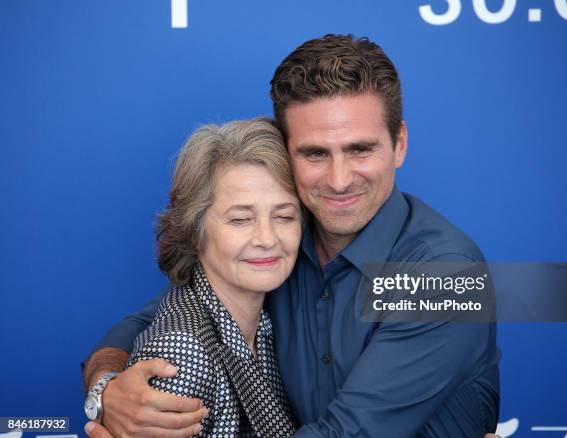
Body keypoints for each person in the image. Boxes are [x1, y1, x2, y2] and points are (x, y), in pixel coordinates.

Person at [83, 34, 501, 437]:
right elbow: (165, 314)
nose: (339, 180)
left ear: (400, 143)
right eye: (315, 153)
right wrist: (108, 388)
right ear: (287, 155)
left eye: (360, 149)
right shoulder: (278, 247)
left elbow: (349, 433)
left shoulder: (445, 273)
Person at [86, 119, 300, 437]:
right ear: (195, 232)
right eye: (240, 219)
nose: (267, 238)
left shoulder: (259, 323)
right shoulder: (181, 355)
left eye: (284, 216)